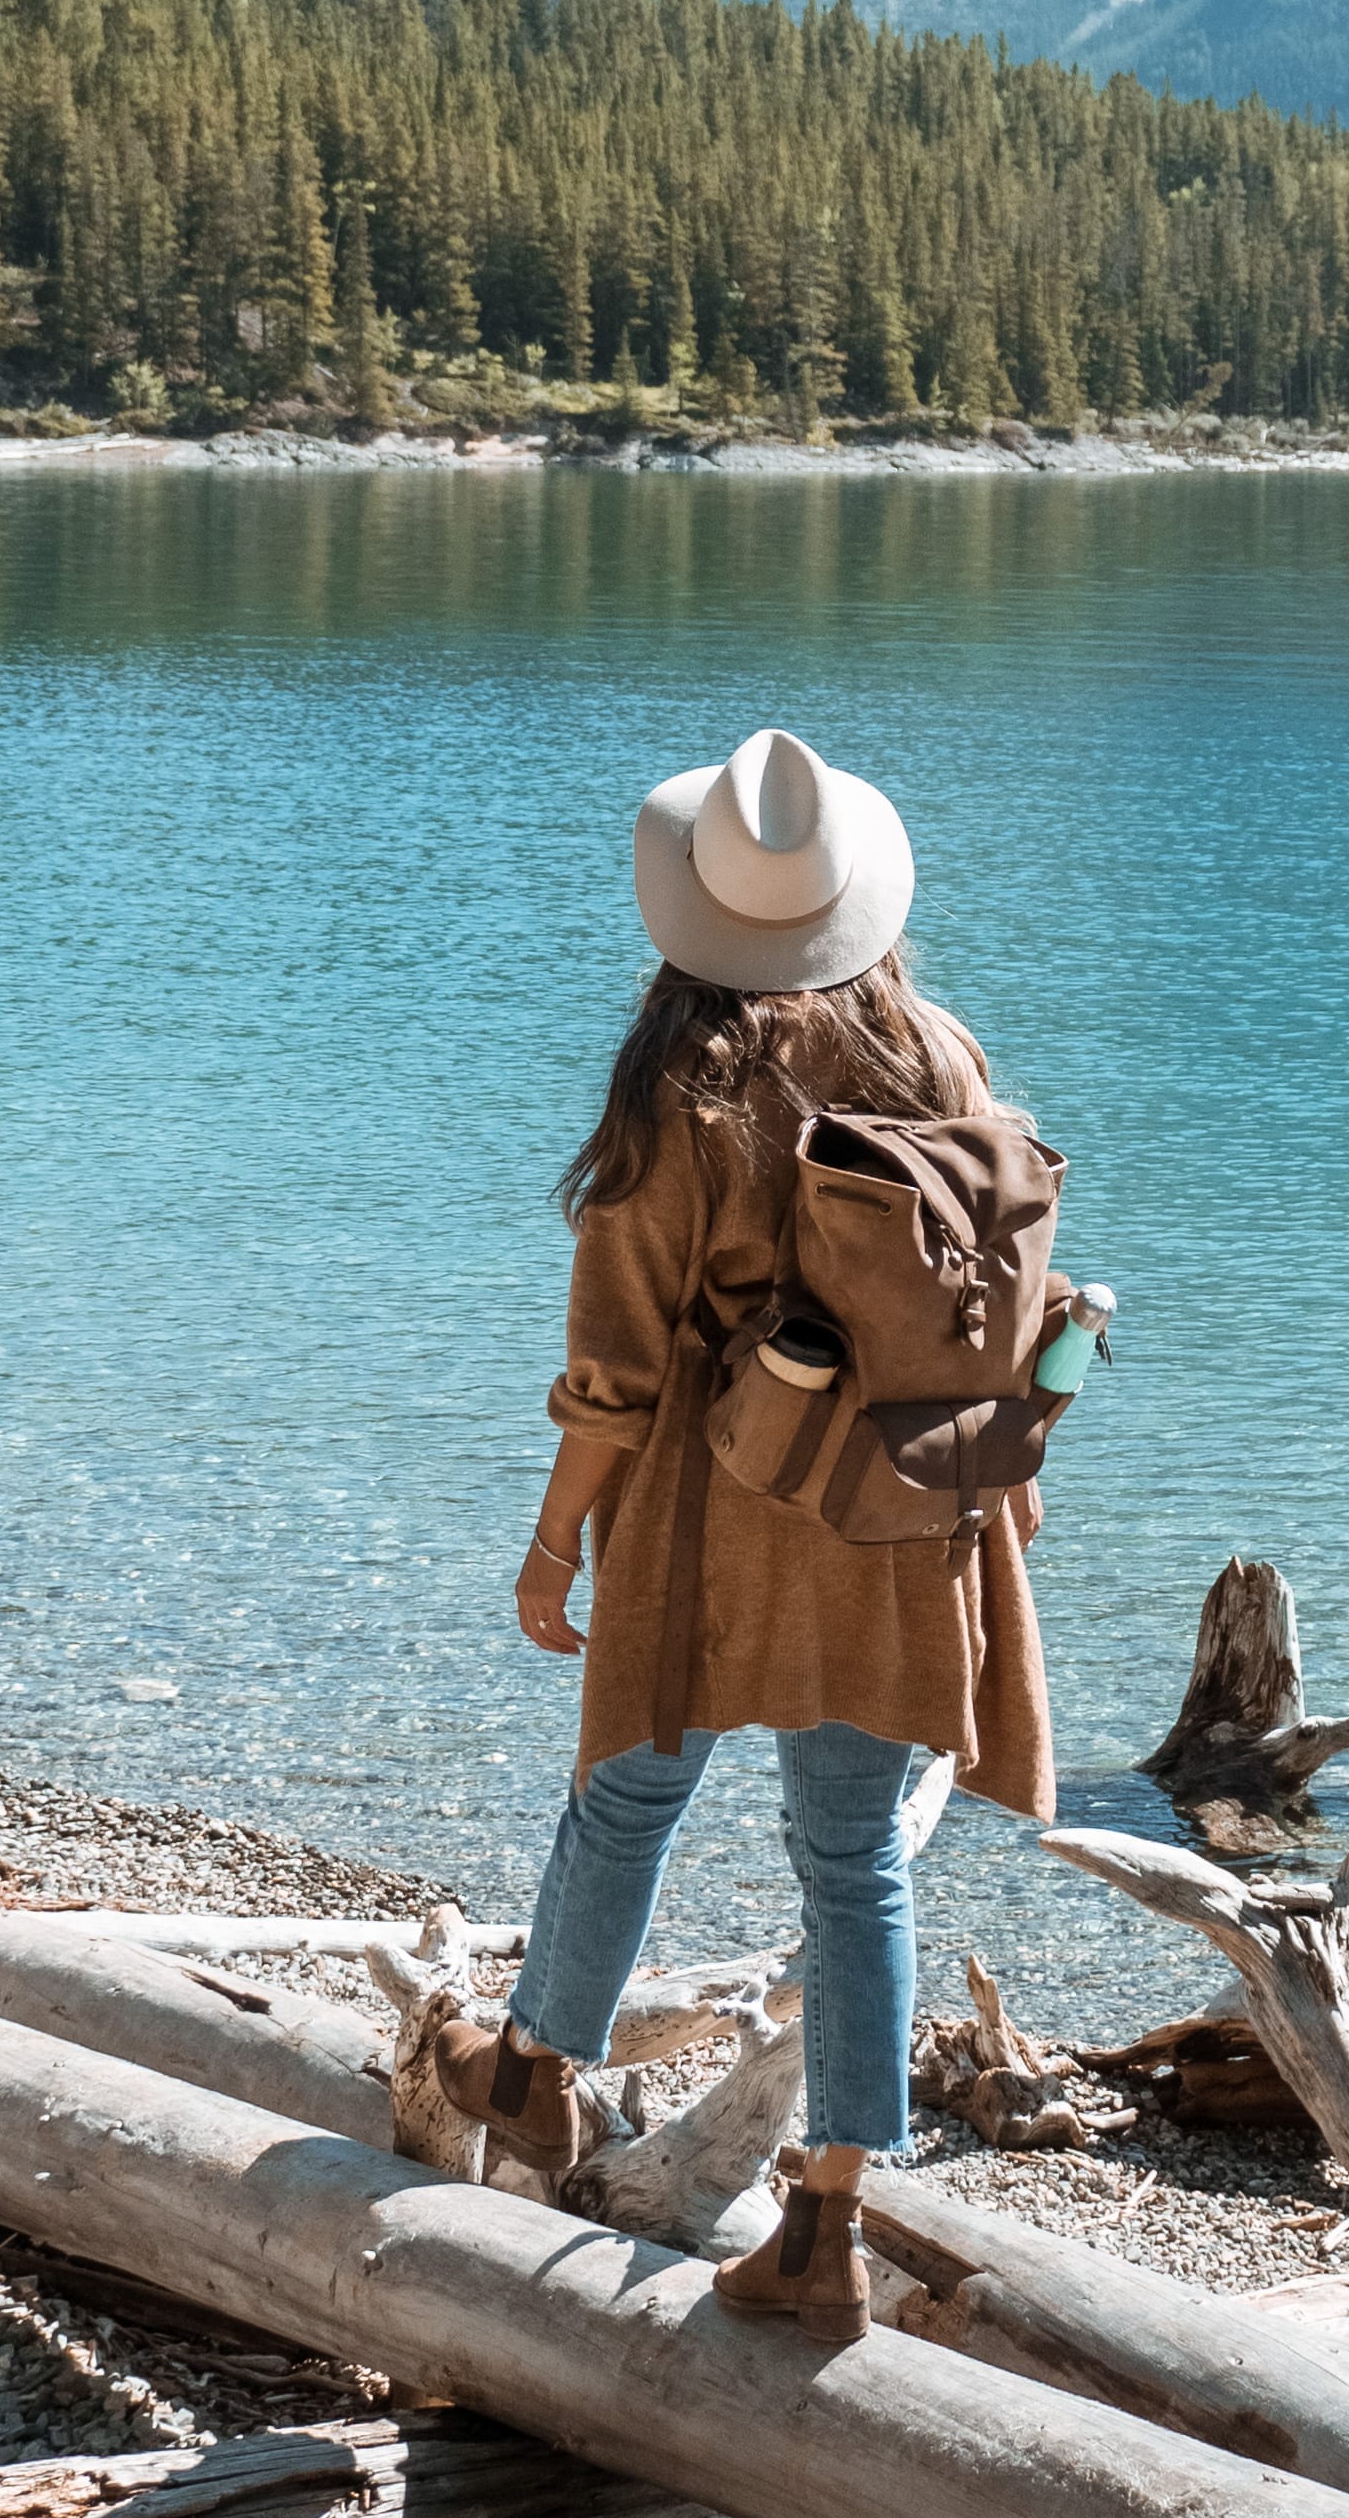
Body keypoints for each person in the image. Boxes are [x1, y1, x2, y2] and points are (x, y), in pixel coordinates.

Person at [435, 725, 1057, 2337]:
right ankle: (829, 2218)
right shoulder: (944, 1058)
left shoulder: (680, 1092)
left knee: (626, 1788)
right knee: (854, 1863)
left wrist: (552, 1544)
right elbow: (1004, 1314)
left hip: (718, 1508)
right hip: (895, 1512)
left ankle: (534, 2071)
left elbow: (616, 1371)